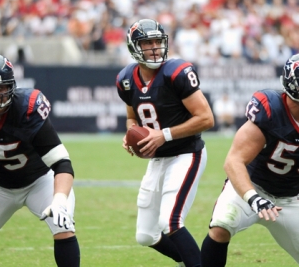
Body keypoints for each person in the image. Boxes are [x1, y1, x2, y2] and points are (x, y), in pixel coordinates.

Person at [116, 19, 214, 267]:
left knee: (171, 222)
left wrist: (164, 135)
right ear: (134, 47)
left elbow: (206, 118)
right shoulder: (126, 79)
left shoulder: (176, 72)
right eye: (147, 43)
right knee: (145, 235)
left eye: (157, 42)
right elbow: (131, 118)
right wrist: (130, 134)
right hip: (158, 158)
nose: (154, 48)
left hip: (186, 154)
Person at [201, 53, 299, 266]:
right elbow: (233, 161)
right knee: (221, 226)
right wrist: (253, 197)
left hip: (291, 198)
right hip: (252, 186)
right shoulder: (272, 110)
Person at [0, 55, 80, 266]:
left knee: (63, 226)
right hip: (1, 187)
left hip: (40, 181)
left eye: (1, 88)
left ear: (11, 87)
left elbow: (62, 163)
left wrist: (59, 200)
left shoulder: (26, 109)